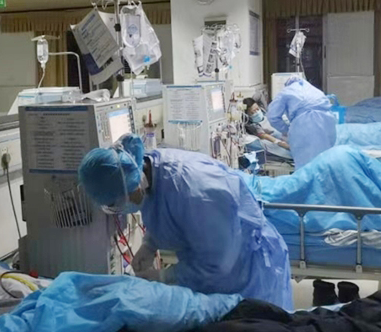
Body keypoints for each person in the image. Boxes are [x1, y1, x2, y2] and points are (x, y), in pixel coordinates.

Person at [78, 133, 293, 310]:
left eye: (116, 202)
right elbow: (163, 208)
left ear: (132, 185)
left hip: (247, 271)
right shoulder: (146, 168)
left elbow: (218, 262)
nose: (120, 209)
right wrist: (149, 245)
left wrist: (164, 276)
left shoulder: (195, 192)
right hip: (221, 269)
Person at [267, 78, 337, 169]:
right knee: (325, 159)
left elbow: (273, 117)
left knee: (306, 164)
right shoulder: (314, 90)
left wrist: (287, 130)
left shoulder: (285, 92)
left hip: (305, 123)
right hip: (327, 121)